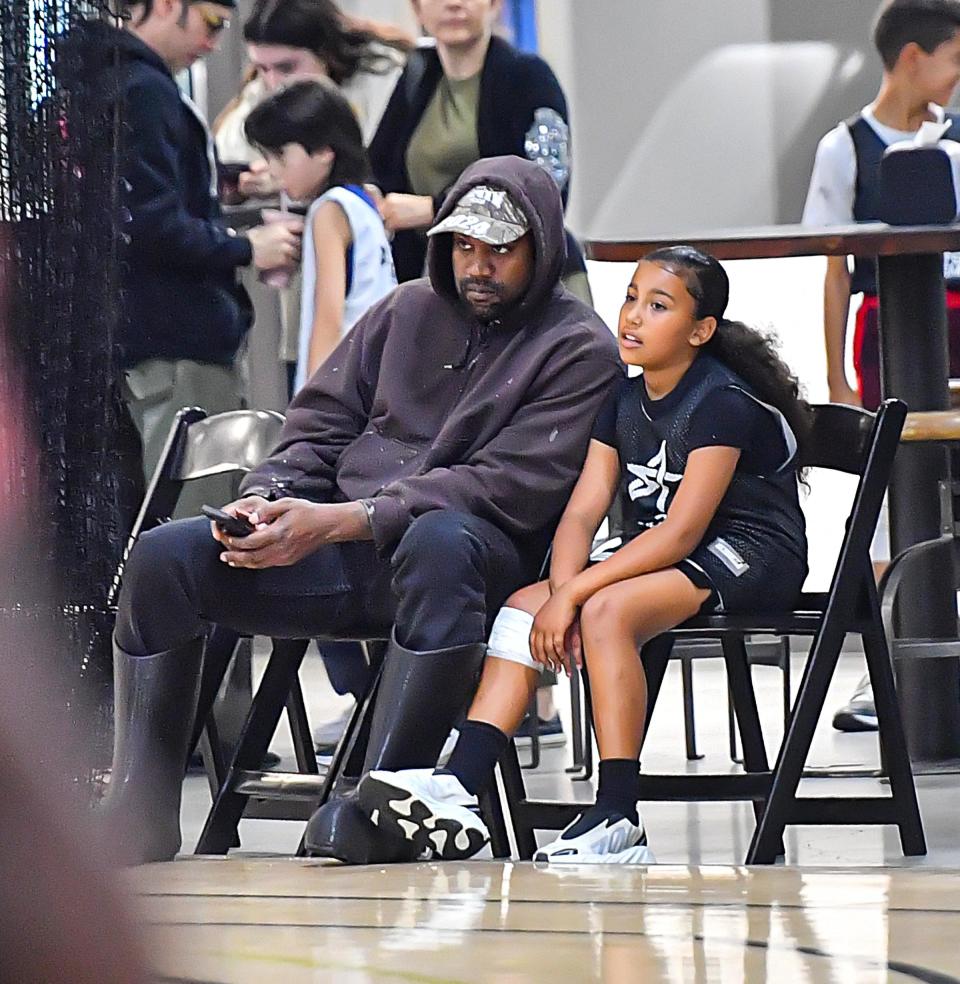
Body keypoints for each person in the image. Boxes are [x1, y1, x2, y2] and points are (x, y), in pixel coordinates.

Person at [99, 154, 621, 865]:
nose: (478, 266)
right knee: (166, 559)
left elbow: (504, 486)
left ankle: (385, 804)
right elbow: (317, 427)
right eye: (464, 246)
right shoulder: (406, 309)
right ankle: (140, 809)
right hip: (339, 546)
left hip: (473, 570)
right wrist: (266, 499)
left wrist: (347, 520)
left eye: (501, 250)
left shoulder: (580, 347)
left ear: (543, 247)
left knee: (442, 538)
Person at [357, 245, 810, 864]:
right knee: (523, 606)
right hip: (662, 551)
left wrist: (574, 597)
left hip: (748, 551)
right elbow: (582, 510)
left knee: (607, 613)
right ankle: (461, 783)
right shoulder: (621, 400)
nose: (632, 317)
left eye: (658, 305)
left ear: (701, 330)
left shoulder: (721, 402)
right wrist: (559, 594)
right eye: (630, 298)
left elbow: (682, 532)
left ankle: (618, 817)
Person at [802, 0, 960, 731]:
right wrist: (834, 373)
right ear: (912, 58)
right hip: (885, 330)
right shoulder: (845, 147)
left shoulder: (954, 145)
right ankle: (885, 676)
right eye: (954, 59)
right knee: (890, 494)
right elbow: (834, 266)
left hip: (953, 321)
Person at [81, 0, 303, 518]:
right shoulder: (143, 90)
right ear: (164, 5)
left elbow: (129, 201)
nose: (211, 44)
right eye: (210, 25)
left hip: (133, 338)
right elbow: (145, 224)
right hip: (175, 347)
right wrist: (248, 248)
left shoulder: (99, 80)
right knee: (198, 525)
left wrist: (214, 180)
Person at [368, 0, 591, 304]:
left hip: (523, 279)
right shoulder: (418, 75)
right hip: (441, 280)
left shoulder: (528, 76)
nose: (453, 4)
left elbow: (545, 187)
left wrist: (435, 209)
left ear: (494, 4)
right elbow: (377, 167)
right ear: (417, 9)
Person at [244, 79, 397, 394]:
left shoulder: (329, 211)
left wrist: (312, 408)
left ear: (325, 152)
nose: (272, 170)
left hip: (342, 392)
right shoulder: (365, 201)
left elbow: (328, 317)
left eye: (281, 155)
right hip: (376, 379)